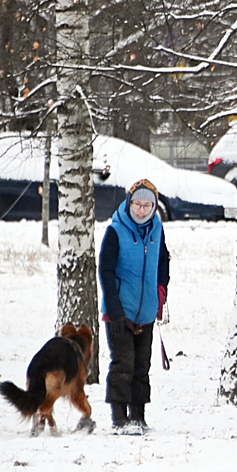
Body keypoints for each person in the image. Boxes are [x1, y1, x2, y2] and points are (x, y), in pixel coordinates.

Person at [99, 179, 170, 433]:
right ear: (129, 204)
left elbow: (163, 262)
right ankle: (119, 418)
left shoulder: (157, 232)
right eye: (137, 204)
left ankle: (138, 416)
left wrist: (161, 292)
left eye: (147, 205)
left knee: (142, 366)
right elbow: (105, 271)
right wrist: (115, 310)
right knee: (123, 363)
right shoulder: (115, 232)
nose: (141, 210)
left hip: (147, 312)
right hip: (120, 313)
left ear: (154, 207)